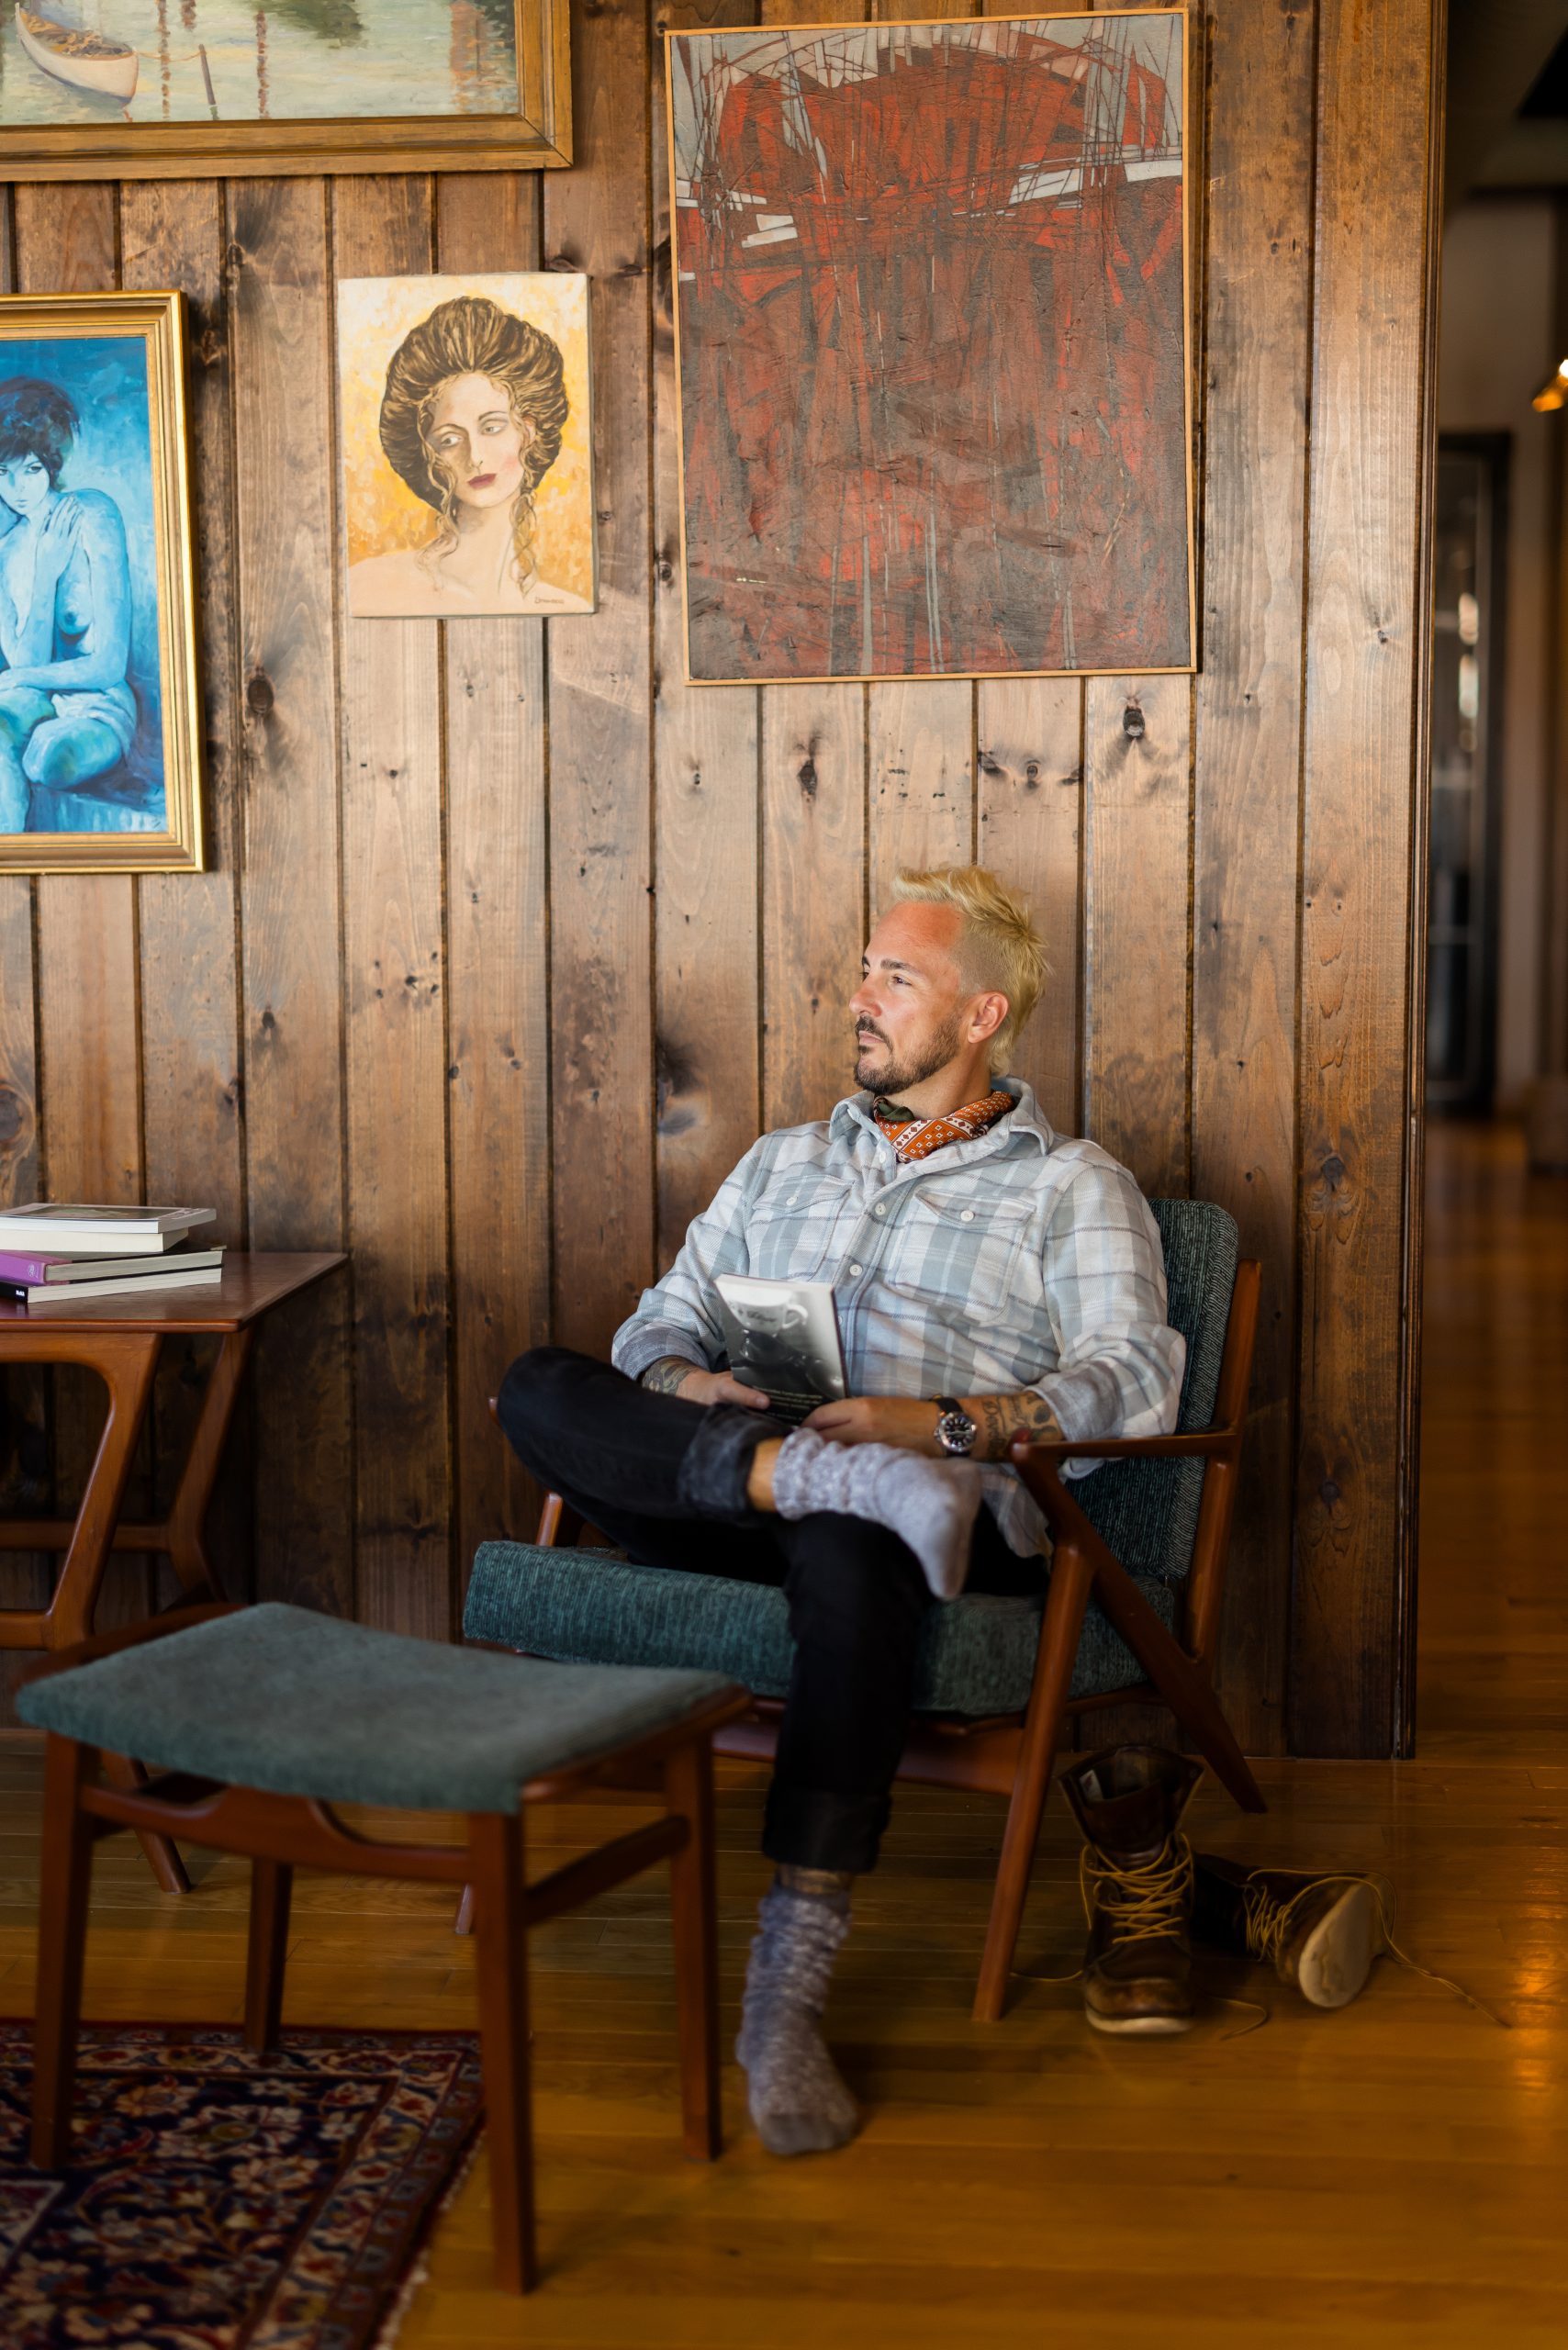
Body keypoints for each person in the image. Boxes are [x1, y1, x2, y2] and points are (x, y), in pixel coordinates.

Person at [499, 866, 1381, 2155]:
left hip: (945, 1521)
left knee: (860, 1543)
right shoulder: (777, 1164)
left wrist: (944, 1427)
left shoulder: (1073, 1185)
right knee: (538, 1383)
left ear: (981, 1015)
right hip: (736, 1482)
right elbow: (652, 1329)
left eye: (894, 978)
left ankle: (784, 2000)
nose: (857, 999)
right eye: (862, 971)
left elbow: (1135, 1378)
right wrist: (702, 1386)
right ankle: (805, 1473)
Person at [347, 294, 591, 619]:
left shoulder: (565, 607)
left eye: (491, 428)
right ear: (427, 452)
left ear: (528, 432)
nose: (474, 457)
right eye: (449, 439)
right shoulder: (371, 587)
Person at [0, 376, 139, 834]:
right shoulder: (4, 551)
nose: (18, 488)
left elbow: (108, 666)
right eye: (3, 473)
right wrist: (45, 573)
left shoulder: (93, 514)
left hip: (98, 705)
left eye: (32, 469)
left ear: (52, 463)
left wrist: (17, 677)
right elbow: (29, 663)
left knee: (46, 756)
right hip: (32, 699)